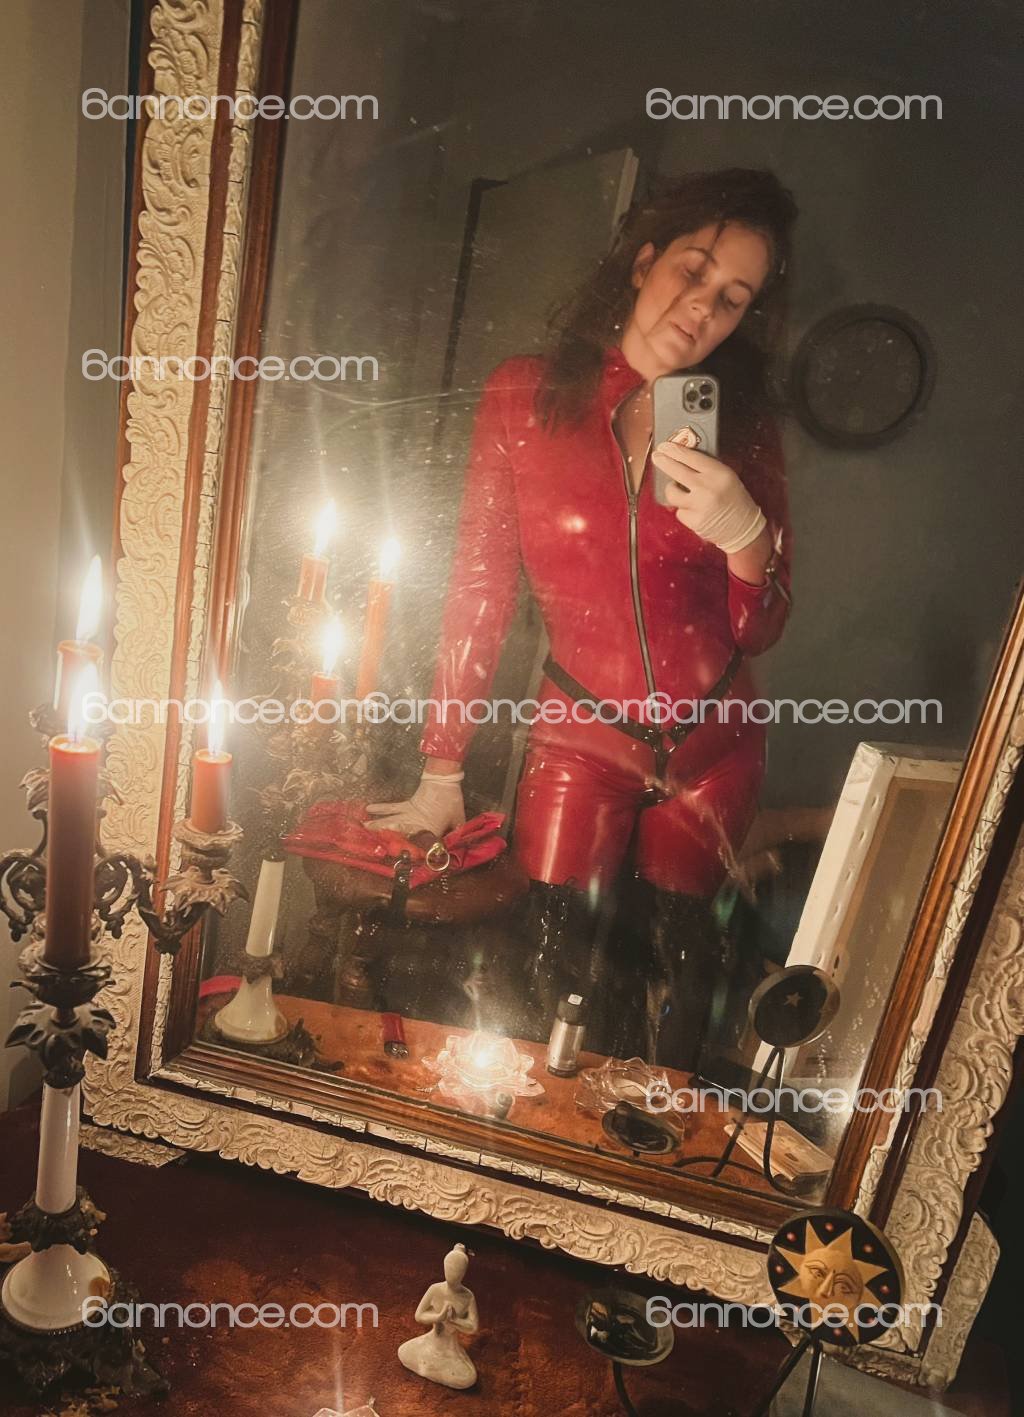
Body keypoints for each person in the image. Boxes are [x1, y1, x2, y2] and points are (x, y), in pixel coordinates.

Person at [368, 169, 797, 1068]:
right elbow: (479, 585)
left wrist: (748, 537)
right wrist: (442, 763)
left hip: (716, 744)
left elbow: (759, 627)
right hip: (581, 738)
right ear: (644, 262)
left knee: (682, 983)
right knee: (550, 969)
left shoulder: (745, 428)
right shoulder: (524, 397)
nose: (703, 307)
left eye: (733, 297)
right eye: (693, 270)